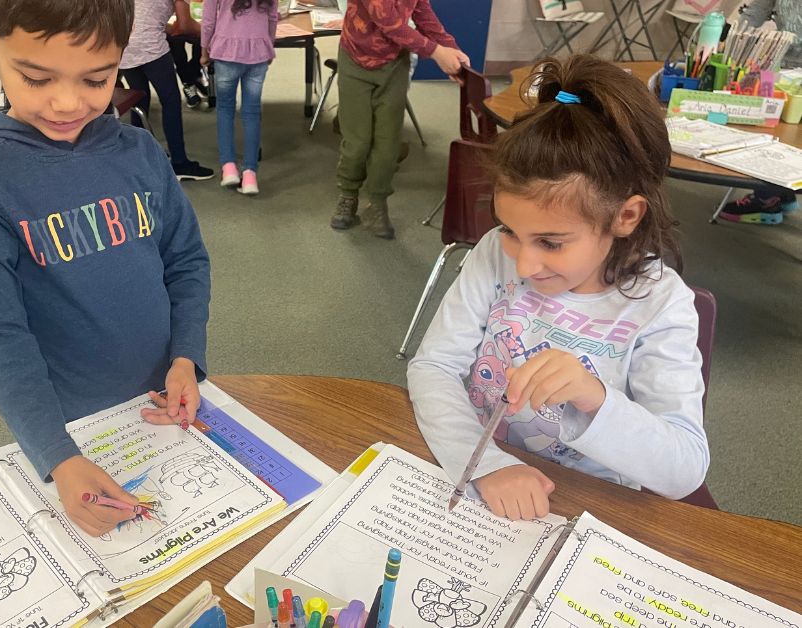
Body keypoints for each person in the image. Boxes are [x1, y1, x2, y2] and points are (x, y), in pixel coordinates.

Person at [0, 0, 212, 536]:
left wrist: (186, 356)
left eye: (96, 78)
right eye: (36, 78)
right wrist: (58, 455)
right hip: (69, 425)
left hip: (162, 399)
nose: (67, 103)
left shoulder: (140, 150)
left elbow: (184, 261)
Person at [407, 56, 710, 521]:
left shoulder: (661, 305)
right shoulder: (493, 254)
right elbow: (434, 366)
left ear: (626, 216)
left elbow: (684, 468)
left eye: (551, 242)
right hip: (482, 473)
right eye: (509, 229)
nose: (524, 264)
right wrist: (486, 465)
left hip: (590, 504)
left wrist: (594, 396)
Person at [329, 0, 469, 238]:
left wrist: (451, 50)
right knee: (357, 141)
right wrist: (437, 53)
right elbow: (389, 22)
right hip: (355, 61)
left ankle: (377, 202)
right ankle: (348, 195)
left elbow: (423, 13)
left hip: (394, 64)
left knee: (388, 141)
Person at [718, 0, 802, 224]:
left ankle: (770, 198)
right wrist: (733, 40)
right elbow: (755, 12)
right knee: (774, 131)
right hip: (781, 65)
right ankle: (776, 194)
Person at [120, 0, 215, 180]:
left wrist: (169, 28)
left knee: (139, 101)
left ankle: (138, 157)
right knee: (170, 102)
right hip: (150, 47)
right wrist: (209, 30)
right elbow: (185, 25)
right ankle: (179, 163)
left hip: (124, 44)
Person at [200, 0, 278, 195]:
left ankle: (228, 167)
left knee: (225, 109)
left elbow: (208, 19)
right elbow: (272, 17)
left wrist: (204, 50)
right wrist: (269, 45)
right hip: (259, 50)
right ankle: (250, 174)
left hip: (226, 49)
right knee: (252, 113)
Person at [168, 0, 209, 109]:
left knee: (203, 42)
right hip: (176, 25)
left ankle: (193, 75)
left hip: (201, 24)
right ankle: (189, 83)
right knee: (176, 44)